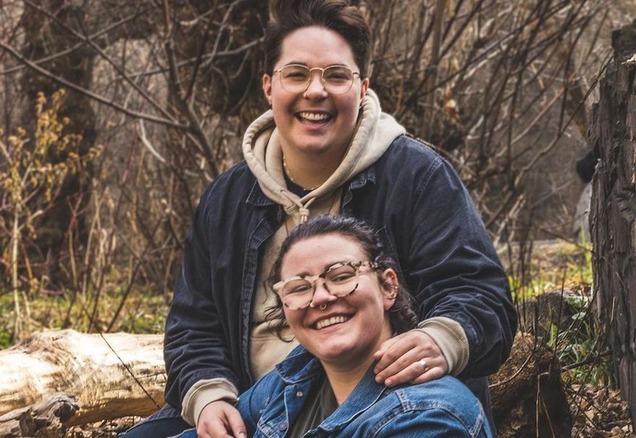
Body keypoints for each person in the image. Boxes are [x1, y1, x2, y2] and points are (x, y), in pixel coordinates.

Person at [121, 0, 516, 436]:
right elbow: (193, 326)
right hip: (256, 407)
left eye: (335, 75)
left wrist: (441, 340)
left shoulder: (415, 176)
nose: (315, 91)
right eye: (296, 74)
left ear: (362, 87)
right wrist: (209, 396)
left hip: (381, 396)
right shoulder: (227, 199)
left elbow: (482, 295)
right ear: (269, 87)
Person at [174, 214, 495, 437]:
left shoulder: (430, 416)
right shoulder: (291, 380)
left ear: (388, 287)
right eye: (299, 287)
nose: (321, 298)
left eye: (341, 276)